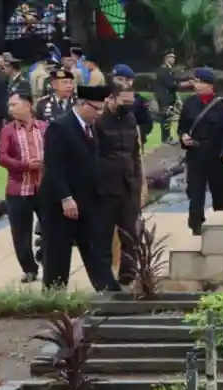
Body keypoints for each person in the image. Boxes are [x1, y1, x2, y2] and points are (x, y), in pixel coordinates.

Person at [40, 84, 121, 291]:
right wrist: (65, 198)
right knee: (58, 253)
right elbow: (53, 167)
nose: (100, 114)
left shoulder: (91, 127)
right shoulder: (60, 127)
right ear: (83, 104)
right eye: (97, 109)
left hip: (88, 200)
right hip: (61, 203)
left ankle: (107, 290)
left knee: (95, 248)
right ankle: (54, 296)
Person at [94, 82, 143, 286]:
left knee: (130, 235)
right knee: (104, 236)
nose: (127, 105)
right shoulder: (98, 123)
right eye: (124, 101)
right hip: (106, 188)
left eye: (130, 102)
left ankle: (128, 275)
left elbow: (135, 154)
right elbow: (93, 156)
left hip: (129, 185)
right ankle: (104, 279)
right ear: (111, 98)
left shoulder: (130, 119)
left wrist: (139, 183)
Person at [178, 67, 223, 235]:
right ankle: (196, 227)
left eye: (200, 82)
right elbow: (183, 126)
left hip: (216, 155)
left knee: (221, 193)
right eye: (195, 81)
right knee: (195, 194)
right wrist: (183, 137)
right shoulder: (189, 104)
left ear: (210, 85)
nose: (197, 85)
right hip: (196, 155)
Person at [0, 92, 46, 283]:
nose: (10, 109)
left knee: (51, 229)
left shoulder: (44, 128)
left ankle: (47, 261)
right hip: (18, 189)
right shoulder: (8, 130)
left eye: (14, 105)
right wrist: (26, 165)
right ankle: (29, 269)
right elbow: (2, 157)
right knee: (20, 233)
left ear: (27, 105)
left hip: (43, 188)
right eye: (9, 105)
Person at [111, 64, 153, 143]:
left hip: (131, 144)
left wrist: (136, 136)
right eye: (116, 79)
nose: (118, 83)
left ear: (130, 81)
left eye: (121, 79)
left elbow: (146, 124)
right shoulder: (106, 97)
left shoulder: (139, 100)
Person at [153, 50, 180, 144]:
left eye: (174, 57)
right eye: (171, 57)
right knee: (166, 118)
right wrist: (178, 84)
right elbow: (170, 84)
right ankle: (165, 137)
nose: (173, 59)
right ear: (166, 58)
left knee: (168, 118)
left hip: (168, 97)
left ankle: (167, 136)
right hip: (164, 98)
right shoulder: (162, 70)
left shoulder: (168, 69)